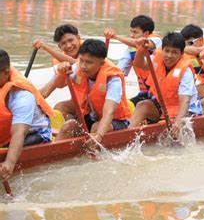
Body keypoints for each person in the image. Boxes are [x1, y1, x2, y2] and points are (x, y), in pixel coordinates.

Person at [54, 39, 131, 148]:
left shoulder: (113, 79)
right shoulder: (78, 67)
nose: (84, 66)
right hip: (93, 117)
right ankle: (55, 153)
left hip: (118, 121)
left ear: (102, 63)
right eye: (82, 61)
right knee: (70, 125)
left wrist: (98, 136)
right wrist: (62, 73)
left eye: (89, 62)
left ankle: (90, 145)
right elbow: (57, 85)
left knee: (96, 127)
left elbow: (109, 112)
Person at [128, 33, 203, 130]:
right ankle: (126, 135)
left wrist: (177, 124)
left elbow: (185, 101)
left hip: (188, 110)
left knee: (175, 123)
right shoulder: (157, 58)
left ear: (181, 54)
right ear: (162, 50)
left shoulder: (185, 72)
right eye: (166, 51)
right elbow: (139, 64)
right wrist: (141, 49)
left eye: (174, 52)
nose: (169, 56)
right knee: (142, 105)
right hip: (166, 107)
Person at [0, 49, 53, 180]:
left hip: (35, 133)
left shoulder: (21, 96)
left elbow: (19, 133)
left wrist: (9, 163)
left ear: (6, 73)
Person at [104, 15, 162, 106]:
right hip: (145, 94)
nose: (131, 35)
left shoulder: (157, 41)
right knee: (122, 105)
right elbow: (119, 72)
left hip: (159, 94)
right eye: (131, 31)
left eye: (135, 32)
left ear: (146, 33)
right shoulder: (130, 49)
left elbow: (142, 43)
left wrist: (115, 37)